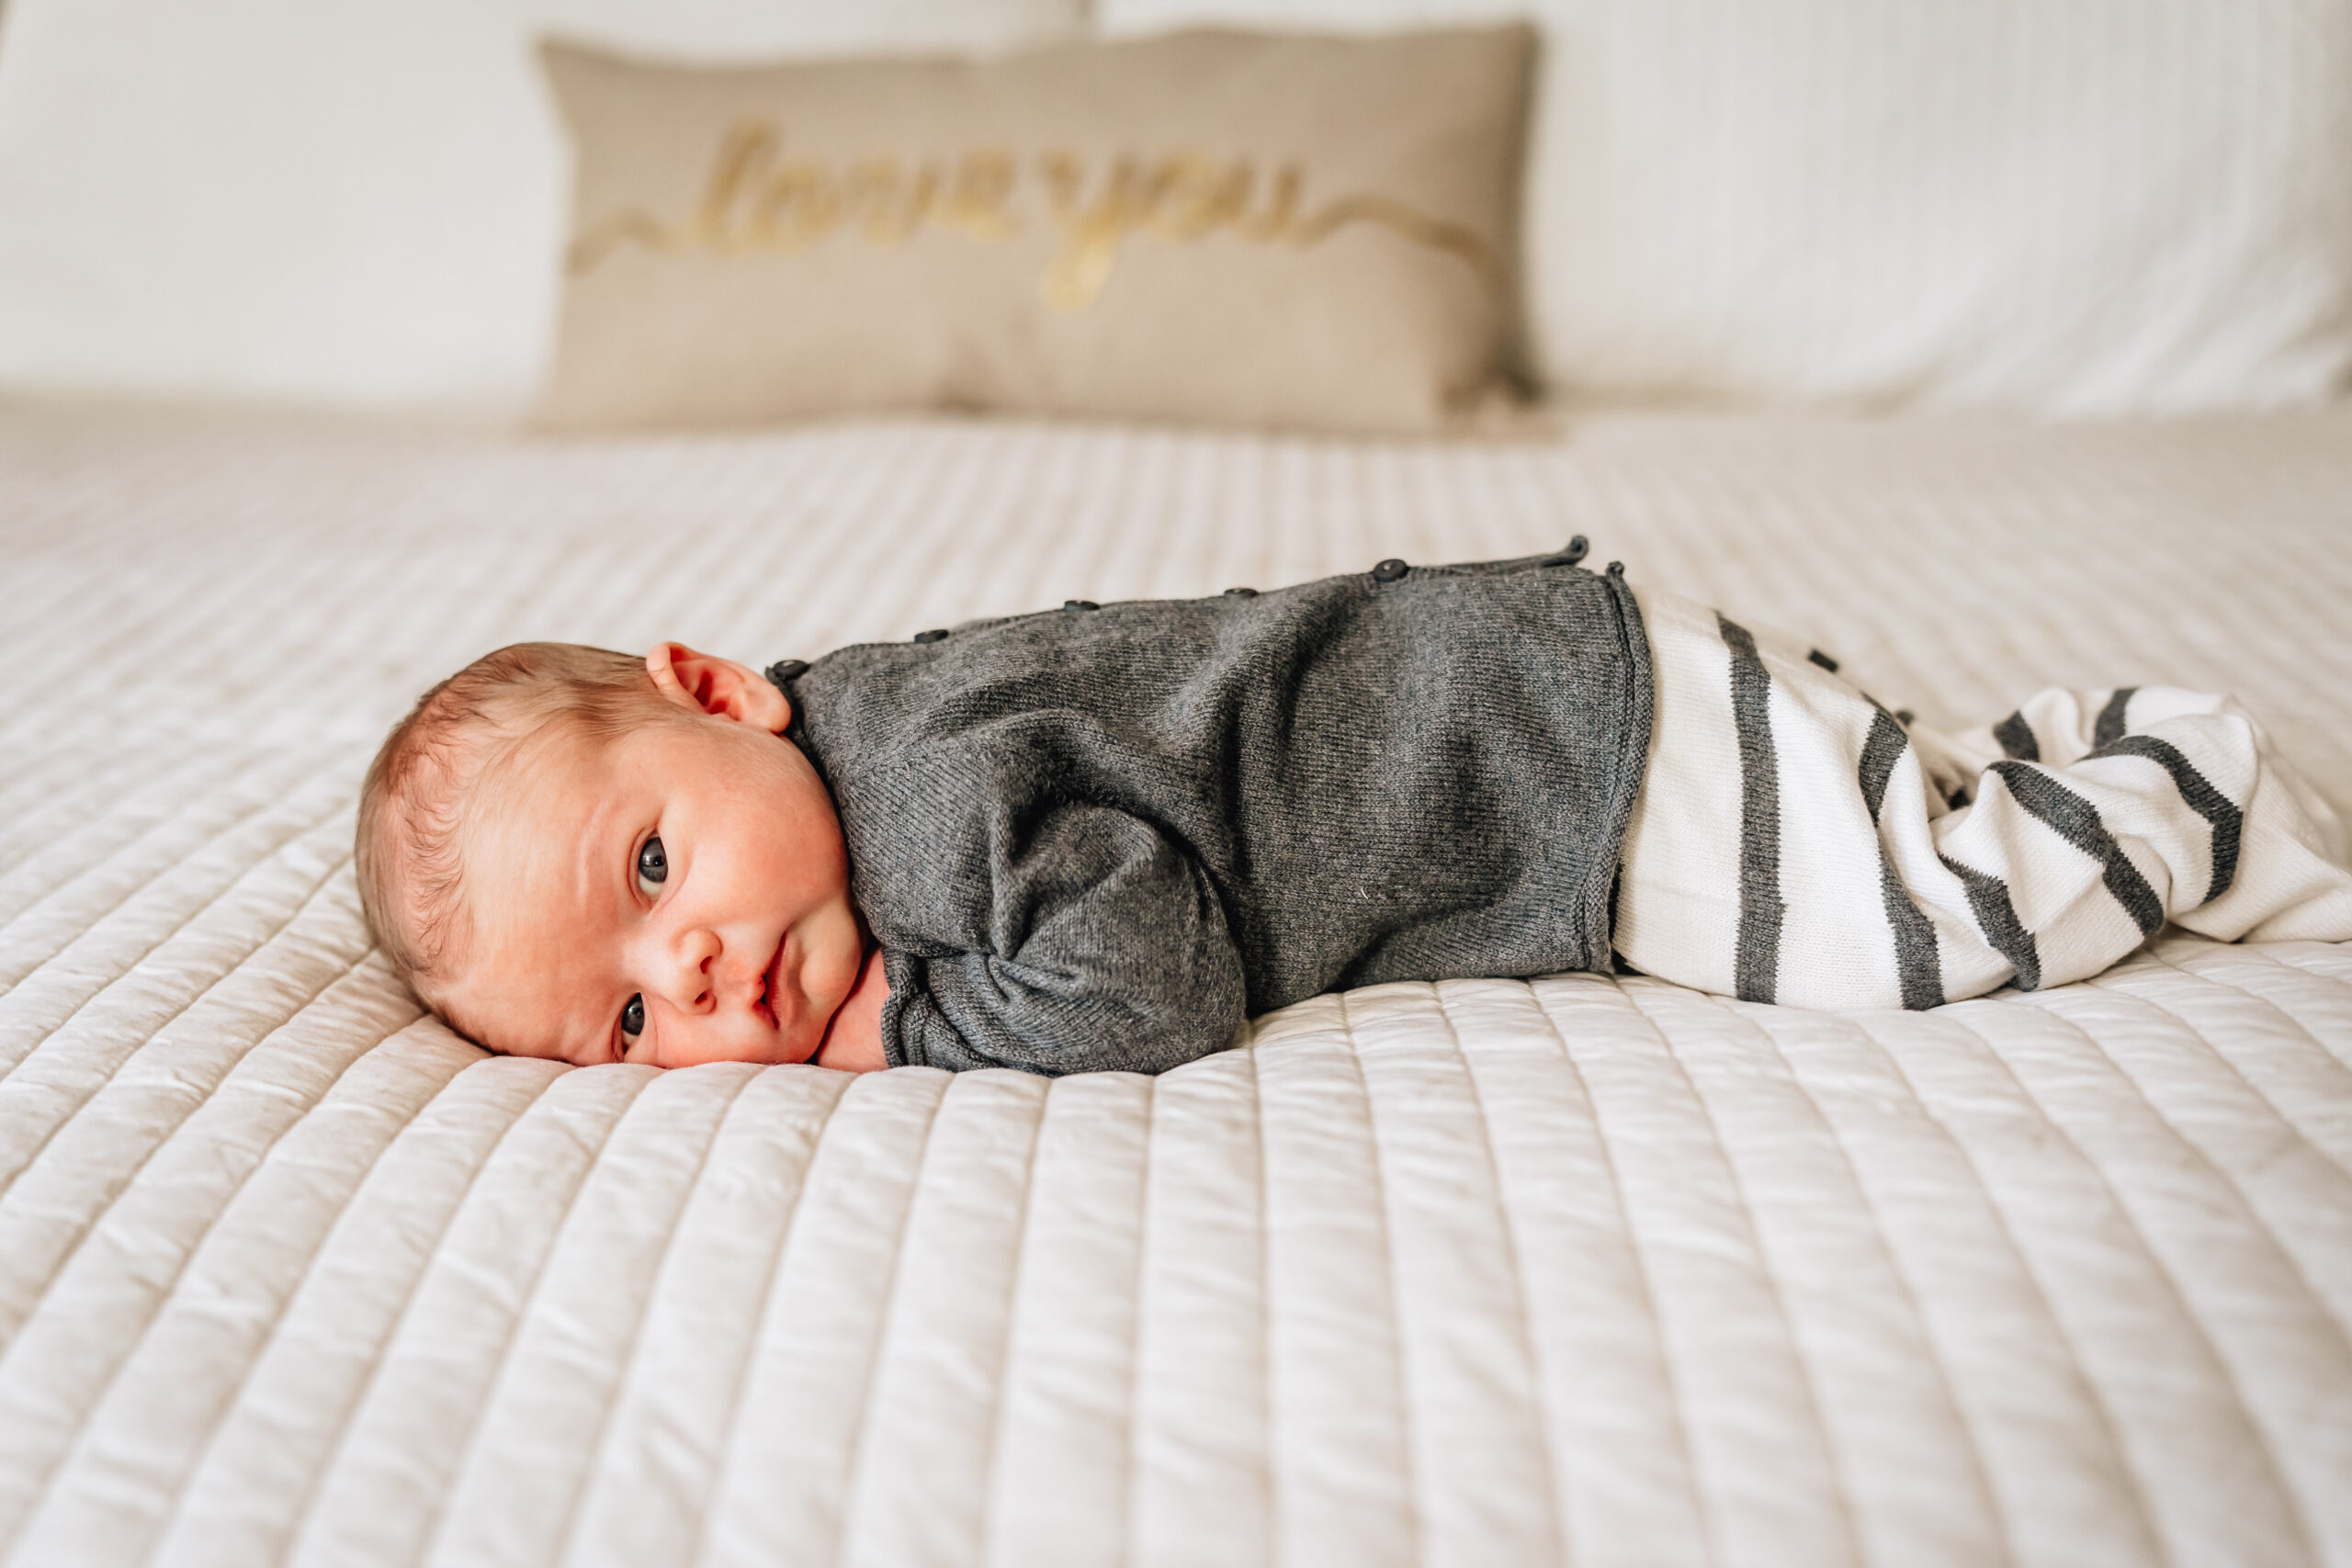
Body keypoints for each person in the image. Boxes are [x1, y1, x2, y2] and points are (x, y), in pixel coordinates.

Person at [353, 547, 2352, 1074]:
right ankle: (1993, 764)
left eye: (646, 867)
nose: (690, 971)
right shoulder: (835, 769)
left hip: (1561, 754)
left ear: (717, 691)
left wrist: (908, 1027)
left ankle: (2187, 777)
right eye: (623, 1018)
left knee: (1895, 942)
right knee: (1863, 828)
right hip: (1550, 679)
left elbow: (1148, 976)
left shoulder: (924, 797)